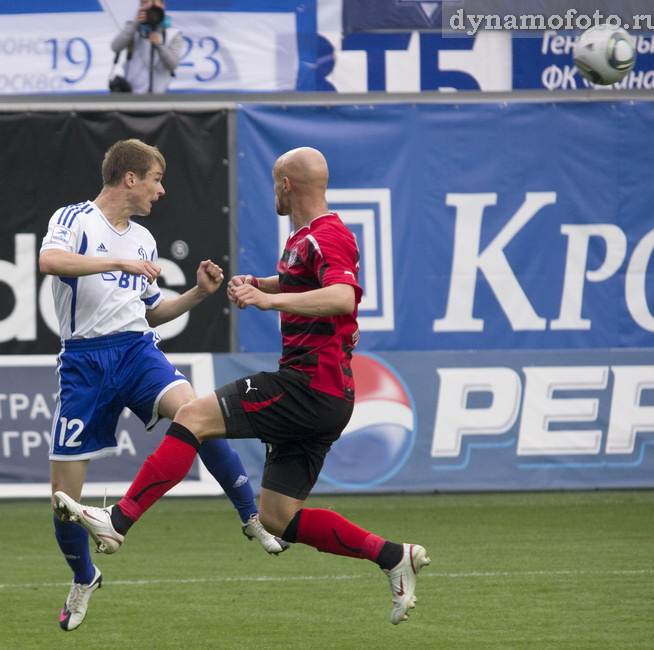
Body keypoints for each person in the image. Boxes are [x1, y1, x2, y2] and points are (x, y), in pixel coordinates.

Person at [54, 146, 431, 625]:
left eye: (275, 181)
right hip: (327, 394)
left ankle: (119, 520)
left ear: (286, 185)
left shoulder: (326, 235)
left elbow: (341, 297)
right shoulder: (303, 240)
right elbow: (307, 285)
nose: (273, 189)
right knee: (281, 517)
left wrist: (266, 302)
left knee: (193, 416)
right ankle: (393, 557)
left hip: (307, 384)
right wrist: (266, 284)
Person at [41, 139, 287, 633]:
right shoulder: (74, 219)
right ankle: (85, 577)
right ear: (129, 178)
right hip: (85, 364)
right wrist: (118, 263)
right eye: (155, 178)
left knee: (198, 414)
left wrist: (199, 292)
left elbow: (151, 311)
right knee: (63, 504)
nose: (161, 188)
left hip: (136, 351)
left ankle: (250, 514)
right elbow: (50, 262)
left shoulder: (145, 240)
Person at [110, 0, 182, 94]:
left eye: (153, 2)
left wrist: (160, 45)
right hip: (130, 96)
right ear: (141, 7)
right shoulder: (132, 28)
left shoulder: (172, 33)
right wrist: (135, 24)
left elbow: (173, 65)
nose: (150, 6)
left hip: (157, 97)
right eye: (145, 2)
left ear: (162, 5)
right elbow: (115, 47)